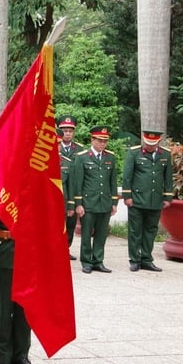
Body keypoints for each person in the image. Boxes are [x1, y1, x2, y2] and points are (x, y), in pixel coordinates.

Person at [0, 216, 42, 364]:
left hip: (30, 252)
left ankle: (21, 356)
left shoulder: (34, 191)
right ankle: (3, 358)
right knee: (3, 309)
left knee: (25, 310)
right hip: (4, 251)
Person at [122, 130, 173, 272]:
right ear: (143, 141)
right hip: (137, 199)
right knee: (135, 231)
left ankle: (146, 259)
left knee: (150, 230)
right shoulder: (134, 153)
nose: (150, 146)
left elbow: (168, 177)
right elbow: (127, 176)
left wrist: (168, 197)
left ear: (158, 142)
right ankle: (134, 260)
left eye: (153, 144)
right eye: (147, 143)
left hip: (155, 199)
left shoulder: (165, 154)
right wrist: (127, 196)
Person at [71, 125, 118, 274]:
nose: (102, 144)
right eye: (99, 140)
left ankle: (98, 260)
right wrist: (78, 204)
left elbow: (113, 182)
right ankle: (86, 261)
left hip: (104, 202)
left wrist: (114, 202)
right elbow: (77, 182)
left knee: (101, 234)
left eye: (105, 141)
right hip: (88, 203)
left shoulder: (110, 157)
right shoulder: (82, 157)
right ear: (92, 140)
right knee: (86, 233)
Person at [58, 115, 83, 260]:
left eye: (70, 130)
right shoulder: (54, 147)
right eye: (64, 130)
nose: (67, 133)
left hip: (74, 191)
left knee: (71, 224)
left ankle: (66, 248)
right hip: (61, 193)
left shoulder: (79, 149)